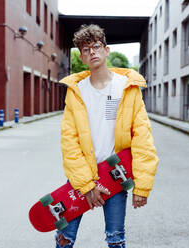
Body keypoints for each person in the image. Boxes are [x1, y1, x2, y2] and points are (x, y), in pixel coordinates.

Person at [57, 24, 159, 248]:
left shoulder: (127, 88)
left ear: (106, 50)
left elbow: (142, 139)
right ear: (82, 57)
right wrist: (86, 185)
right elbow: (69, 142)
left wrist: (142, 186)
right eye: (85, 49)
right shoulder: (76, 91)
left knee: (116, 240)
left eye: (95, 46)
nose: (91, 52)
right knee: (64, 239)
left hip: (115, 174)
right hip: (81, 176)